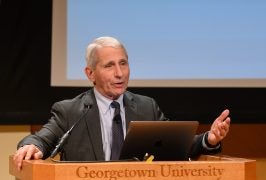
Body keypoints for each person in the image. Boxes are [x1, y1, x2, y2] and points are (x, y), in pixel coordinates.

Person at [13, 36, 231, 170]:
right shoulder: (70, 110)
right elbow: (42, 139)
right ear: (90, 73)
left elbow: (176, 146)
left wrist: (209, 139)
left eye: (123, 63)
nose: (119, 73)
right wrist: (31, 146)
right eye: (109, 66)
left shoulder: (147, 107)